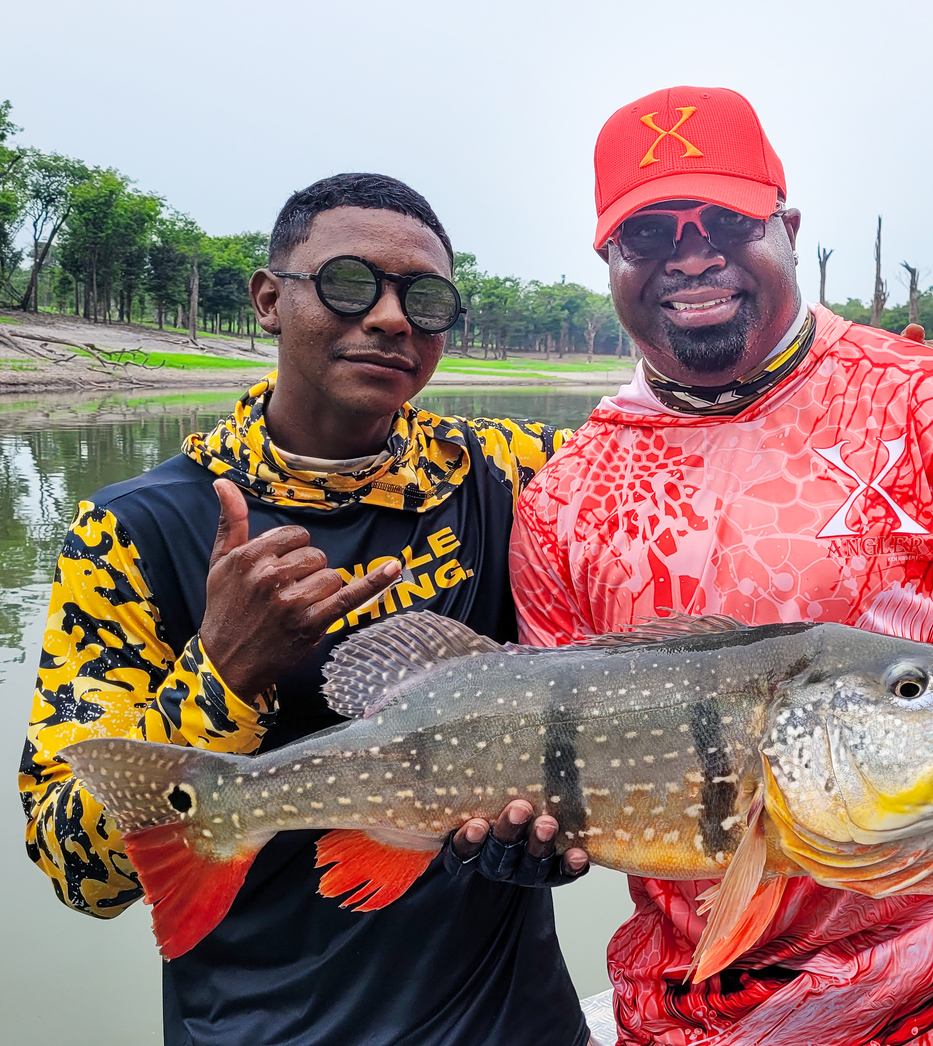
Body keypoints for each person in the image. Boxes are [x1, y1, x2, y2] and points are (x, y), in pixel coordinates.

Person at [508, 86, 933, 1046]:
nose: (691, 256)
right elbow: (553, 748)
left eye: (726, 222)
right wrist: (528, 838)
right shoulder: (560, 501)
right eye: (650, 233)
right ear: (610, 261)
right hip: (688, 1012)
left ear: (788, 230)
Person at [18, 173, 592, 1046]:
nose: (392, 318)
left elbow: (686, 461)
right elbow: (78, 872)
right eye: (349, 284)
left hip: (514, 1020)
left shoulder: (512, 473)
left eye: (426, 299)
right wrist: (221, 673)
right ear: (268, 301)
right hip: (263, 1026)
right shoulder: (133, 530)